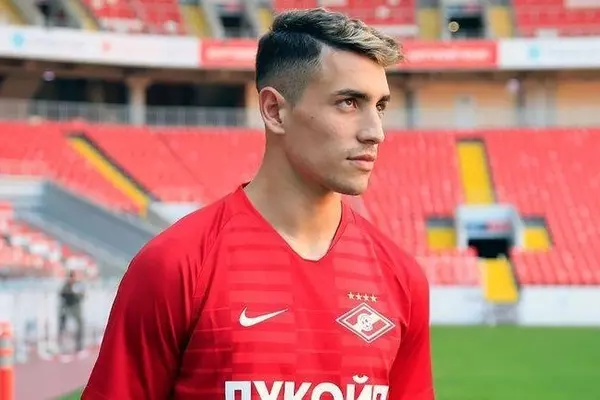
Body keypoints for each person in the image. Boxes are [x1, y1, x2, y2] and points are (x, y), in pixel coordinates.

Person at [83, 7, 434, 400]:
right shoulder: (176, 265)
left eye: (380, 106)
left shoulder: (400, 277)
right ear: (274, 110)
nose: (375, 132)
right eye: (349, 103)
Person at [58, 269, 85, 353]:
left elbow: (81, 296)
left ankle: (79, 346)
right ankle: (62, 345)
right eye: (70, 277)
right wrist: (69, 291)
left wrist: (74, 293)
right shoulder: (66, 285)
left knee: (80, 325)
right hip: (66, 307)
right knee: (62, 325)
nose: (72, 278)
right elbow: (61, 294)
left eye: (73, 277)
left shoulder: (79, 285)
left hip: (76, 307)